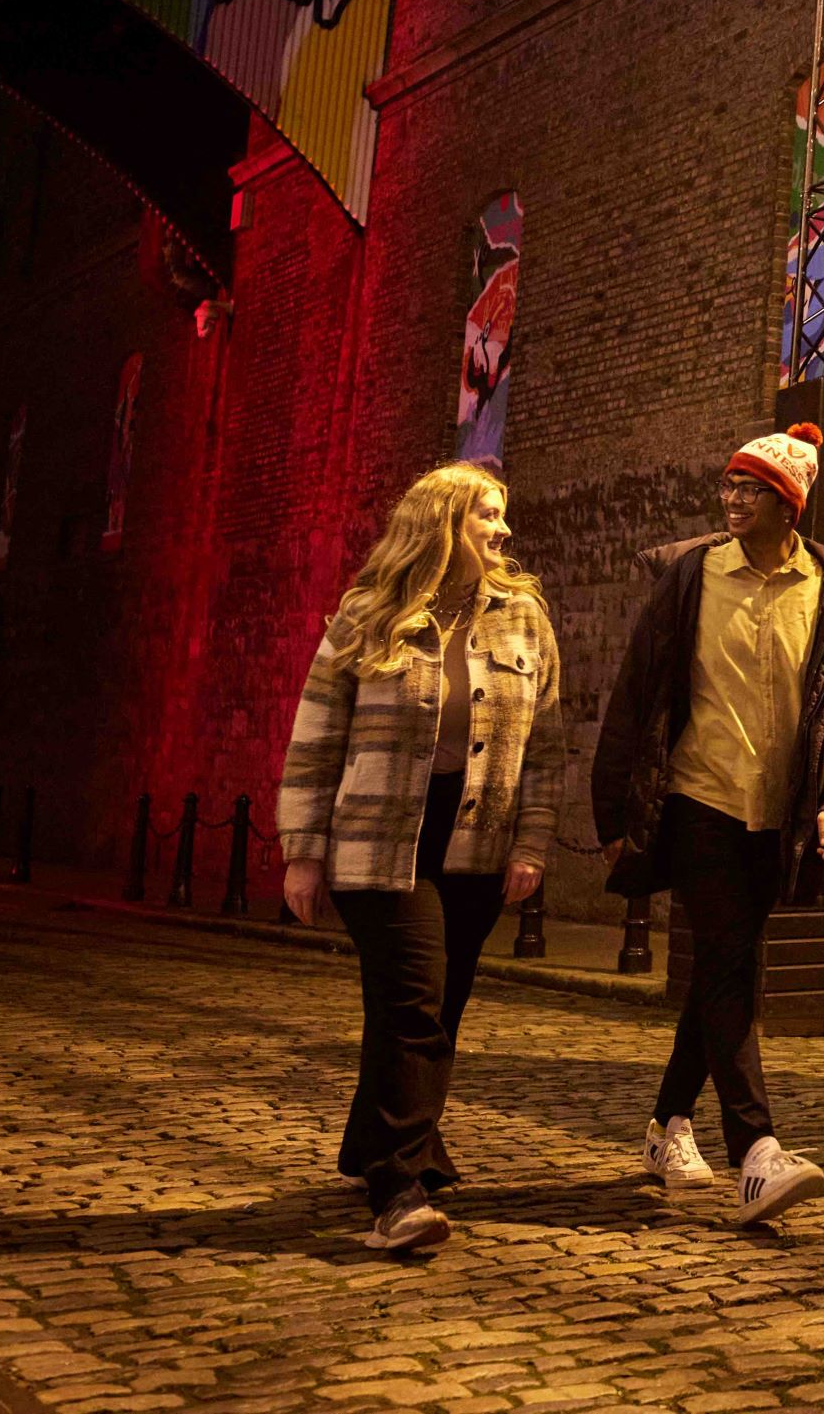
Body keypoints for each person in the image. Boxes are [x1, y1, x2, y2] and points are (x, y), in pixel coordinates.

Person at [591, 421, 824, 1226]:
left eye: (748, 489)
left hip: (776, 815)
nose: (730, 499)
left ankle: (666, 1124)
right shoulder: (691, 577)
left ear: (788, 503)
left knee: (725, 972)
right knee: (729, 966)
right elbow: (634, 693)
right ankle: (756, 1150)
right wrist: (613, 808)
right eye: (727, 486)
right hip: (699, 801)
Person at [276, 461, 562, 1254]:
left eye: (502, 515)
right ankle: (397, 1187)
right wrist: (303, 852)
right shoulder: (367, 614)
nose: (501, 529)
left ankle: (376, 1143)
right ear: (441, 523)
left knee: (439, 1006)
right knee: (413, 997)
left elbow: (547, 746)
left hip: (475, 835)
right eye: (486, 515)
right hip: (378, 836)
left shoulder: (524, 618)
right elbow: (315, 738)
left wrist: (532, 841)